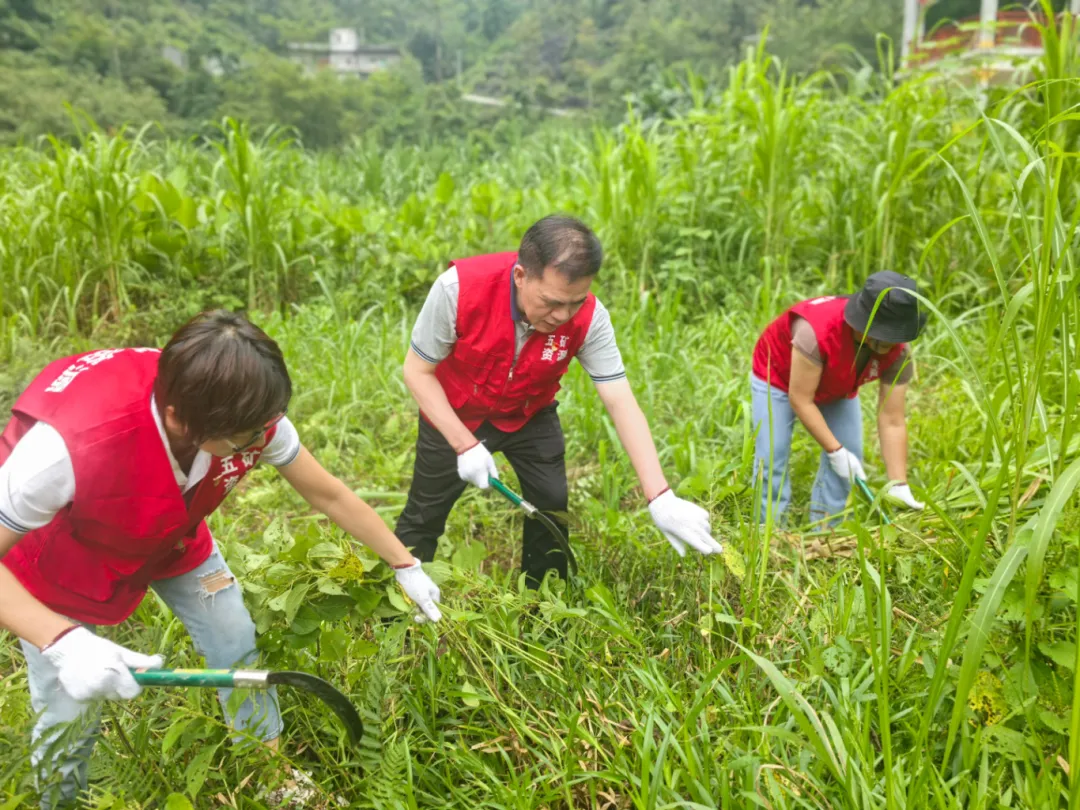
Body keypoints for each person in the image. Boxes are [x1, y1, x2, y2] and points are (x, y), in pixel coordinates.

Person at [0, 311, 443, 809]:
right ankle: (59, 801)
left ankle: (268, 773)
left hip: (171, 533)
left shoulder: (244, 412)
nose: (262, 442)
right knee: (67, 715)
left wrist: (404, 564)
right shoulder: (63, 450)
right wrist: (61, 641)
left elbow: (328, 493)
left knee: (234, 635)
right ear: (179, 421)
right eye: (247, 438)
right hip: (64, 560)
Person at [396, 214, 722, 586]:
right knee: (424, 514)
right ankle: (403, 600)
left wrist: (659, 495)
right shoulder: (458, 289)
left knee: (550, 505)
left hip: (528, 413)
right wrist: (463, 443)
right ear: (521, 276)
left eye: (574, 302)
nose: (563, 315)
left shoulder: (591, 319)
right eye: (551, 302)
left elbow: (620, 401)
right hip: (454, 411)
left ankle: (543, 600)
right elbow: (417, 371)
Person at [750, 271, 928, 526]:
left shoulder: (898, 353)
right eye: (882, 335)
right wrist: (835, 451)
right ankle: (770, 530)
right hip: (777, 376)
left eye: (894, 336)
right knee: (772, 454)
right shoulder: (816, 332)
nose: (889, 344)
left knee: (850, 452)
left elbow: (892, 419)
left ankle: (826, 530)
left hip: (836, 383)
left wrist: (898, 483)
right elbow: (800, 399)